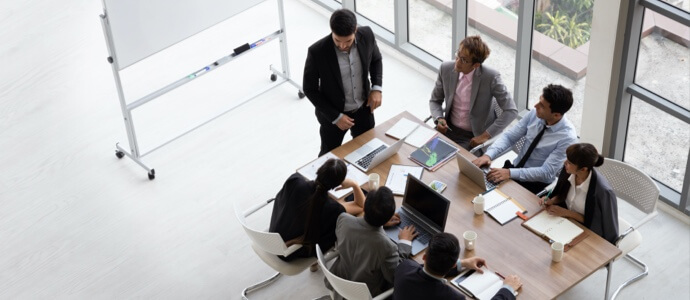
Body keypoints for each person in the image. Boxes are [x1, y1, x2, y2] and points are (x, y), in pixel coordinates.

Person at [303, 9, 384, 156]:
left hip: (363, 109)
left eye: (348, 41)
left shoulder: (367, 35)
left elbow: (376, 60)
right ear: (332, 32)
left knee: (368, 152)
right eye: (337, 41)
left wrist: (376, 88)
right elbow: (309, 89)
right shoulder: (317, 52)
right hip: (333, 116)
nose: (342, 46)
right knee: (328, 158)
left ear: (355, 30)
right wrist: (335, 117)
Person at [472, 84, 578, 194]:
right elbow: (509, 137)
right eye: (539, 101)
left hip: (534, 184)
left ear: (556, 115)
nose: (535, 106)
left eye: (542, 106)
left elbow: (546, 172)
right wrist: (488, 155)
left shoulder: (568, 138)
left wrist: (510, 173)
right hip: (513, 170)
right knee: (476, 190)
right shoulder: (534, 114)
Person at [429, 35, 518, 150]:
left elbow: (511, 111)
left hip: (472, 137)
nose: (457, 61)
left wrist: (486, 135)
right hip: (447, 128)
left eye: (464, 60)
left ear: (476, 65)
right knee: (424, 154)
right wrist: (439, 118)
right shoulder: (445, 68)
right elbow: (435, 101)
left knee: (452, 165)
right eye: (458, 54)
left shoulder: (491, 77)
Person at [269, 158, 365, 261]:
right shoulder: (333, 209)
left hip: (272, 238)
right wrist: (355, 184)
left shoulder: (295, 181)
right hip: (290, 253)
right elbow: (360, 206)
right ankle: (315, 264)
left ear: (319, 170)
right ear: (338, 184)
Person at [328, 186, 416, 297]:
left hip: (338, 280)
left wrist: (380, 221)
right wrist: (404, 242)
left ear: (364, 207)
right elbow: (395, 275)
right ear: (389, 216)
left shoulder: (343, 219)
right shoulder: (386, 246)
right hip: (363, 294)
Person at [393, 233, 521, 300]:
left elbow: (420, 268)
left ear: (425, 257)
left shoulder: (404, 268)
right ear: (453, 264)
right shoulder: (453, 298)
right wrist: (508, 289)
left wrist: (463, 263)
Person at [540, 143, 619, 244]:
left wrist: (566, 213)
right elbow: (562, 194)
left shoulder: (603, 192)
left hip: (586, 232)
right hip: (564, 222)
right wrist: (551, 200)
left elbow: (596, 222)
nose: (565, 163)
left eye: (569, 162)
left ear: (583, 169)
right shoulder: (568, 171)